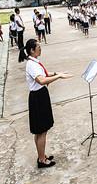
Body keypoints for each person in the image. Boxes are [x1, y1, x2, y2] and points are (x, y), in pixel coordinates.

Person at [19, 39, 72, 168]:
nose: (40, 48)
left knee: (40, 131)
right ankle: (42, 160)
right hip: (38, 97)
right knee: (42, 131)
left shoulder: (34, 62)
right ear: (32, 50)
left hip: (39, 96)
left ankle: (41, 155)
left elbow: (44, 74)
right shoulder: (32, 65)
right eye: (38, 47)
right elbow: (42, 80)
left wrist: (57, 73)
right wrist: (58, 77)